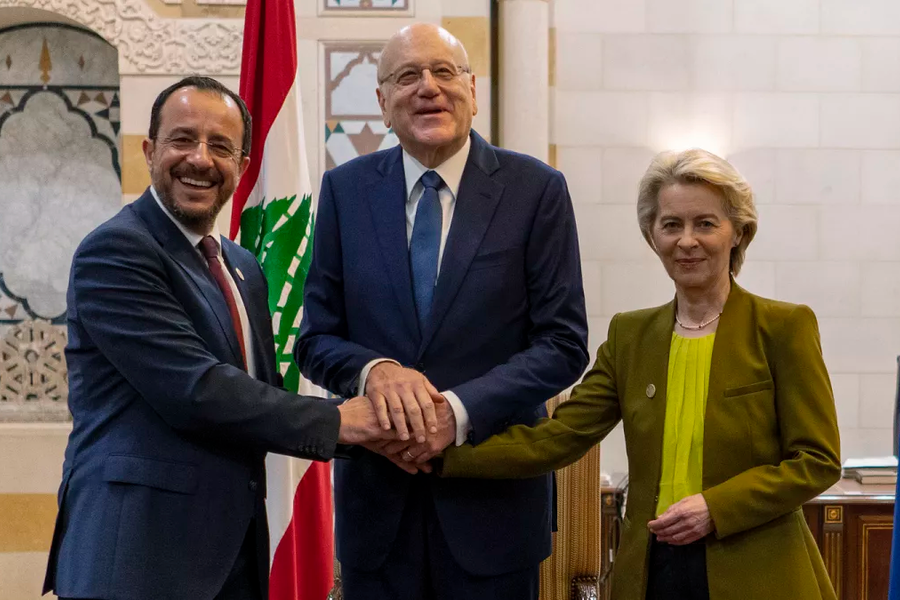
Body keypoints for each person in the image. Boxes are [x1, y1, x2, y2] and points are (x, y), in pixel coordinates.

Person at [440, 148, 843, 600]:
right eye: (671, 225)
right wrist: (441, 456)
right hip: (651, 573)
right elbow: (556, 437)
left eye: (705, 223)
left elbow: (816, 461)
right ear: (653, 236)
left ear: (738, 233)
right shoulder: (630, 335)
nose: (686, 240)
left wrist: (716, 507)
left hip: (759, 573)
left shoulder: (783, 328)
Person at [43, 76, 386, 600]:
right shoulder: (116, 250)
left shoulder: (242, 266)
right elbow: (197, 390)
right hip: (136, 556)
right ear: (149, 151)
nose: (200, 159)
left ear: (243, 166)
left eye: (221, 146)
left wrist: (383, 432)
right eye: (183, 139)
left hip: (231, 554)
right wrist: (344, 421)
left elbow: (259, 395)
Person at [293, 23, 589, 600]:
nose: (427, 87)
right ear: (382, 103)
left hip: (494, 509)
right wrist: (375, 371)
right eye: (406, 76)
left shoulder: (536, 190)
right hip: (377, 509)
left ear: (472, 90)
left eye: (443, 72)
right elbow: (315, 339)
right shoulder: (343, 191)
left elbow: (563, 344)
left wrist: (453, 414)